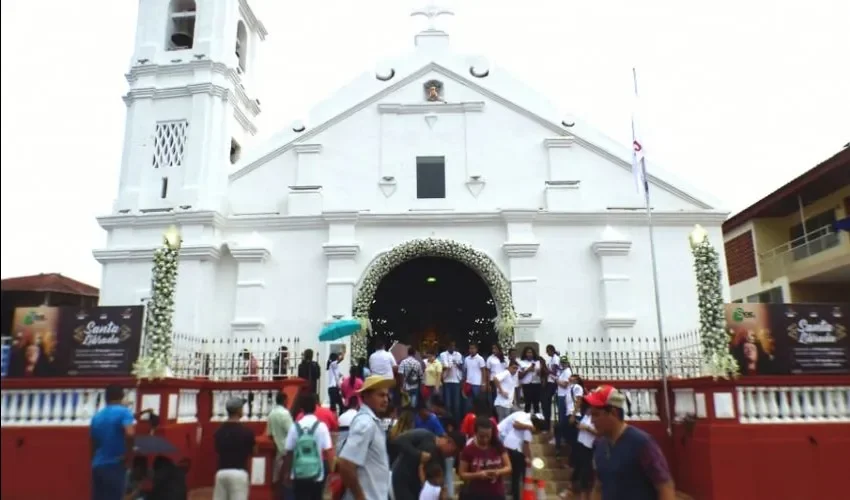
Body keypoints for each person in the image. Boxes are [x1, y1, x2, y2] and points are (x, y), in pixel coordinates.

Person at [585, 385, 675, 500]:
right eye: (591, 415)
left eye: (596, 414)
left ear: (613, 413)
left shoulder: (641, 443)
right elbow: (598, 486)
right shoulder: (599, 445)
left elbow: (665, 486)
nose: (592, 421)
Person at [337, 375, 396, 500]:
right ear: (366, 397)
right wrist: (360, 497)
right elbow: (346, 463)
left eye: (386, 395)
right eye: (380, 395)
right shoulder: (366, 423)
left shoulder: (372, 422)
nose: (386, 400)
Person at [282, 391, 334, 500]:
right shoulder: (321, 426)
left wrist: (287, 472)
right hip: (317, 473)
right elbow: (329, 451)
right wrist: (332, 472)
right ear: (315, 408)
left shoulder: (294, 427)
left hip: (298, 472)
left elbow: (289, 452)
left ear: (301, 409)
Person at [90, 384, 136, 500]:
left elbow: (92, 443)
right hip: (115, 464)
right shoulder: (124, 412)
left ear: (106, 398)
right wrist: (128, 454)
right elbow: (130, 433)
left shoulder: (97, 417)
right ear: (122, 397)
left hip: (98, 465)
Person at [391, 428, 462, 500]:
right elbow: (399, 441)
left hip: (418, 490)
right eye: (454, 452)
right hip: (402, 480)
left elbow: (438, 485)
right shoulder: (424, 435)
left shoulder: (441, 462)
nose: (452, 456)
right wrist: (419, 455)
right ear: (449, 442)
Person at [213, 397, 256, 500]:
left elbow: (217, 450)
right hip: (239, 473)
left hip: (221, 472)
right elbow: (254, 451)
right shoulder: (246, 432)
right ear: (238, 410)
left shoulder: (219, 431)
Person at [458, 417, 512, 500]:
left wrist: (497, 472)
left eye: (488, 436)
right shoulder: (468, 450)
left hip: (496, 493)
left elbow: (508, 467)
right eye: (481, 436)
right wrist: (478, 475)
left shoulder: (498, 446)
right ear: (475, 433)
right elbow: (462, 474)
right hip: (476, 494)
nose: (485, 439)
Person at [497, 411, 543, 500]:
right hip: (513, 447)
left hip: (508, 445)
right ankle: (517, 496)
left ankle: (514, 493)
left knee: (515, 475)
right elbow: (526, 446)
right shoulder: (528, 425)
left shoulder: (525, 421)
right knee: (517, 476)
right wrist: (528, 458)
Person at [266, 391, 293, 499]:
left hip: (278, 448)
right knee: (288, 477)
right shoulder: (285, 414)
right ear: (285, 401)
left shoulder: (271, 414)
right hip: (287, 449)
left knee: (277, 477)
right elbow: (292, 431)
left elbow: (270, 433)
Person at [571, 399, 596, 500]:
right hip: (580, 444)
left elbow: (598, 433)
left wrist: (587, 428)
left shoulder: (596, 419)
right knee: (578, 469)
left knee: (586, 473)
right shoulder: (586, 416)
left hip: (588, 447)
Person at [554, 360, 579, 456]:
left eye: (572, 378)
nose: (570, 378)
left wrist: (573, 415)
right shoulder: (570, 387)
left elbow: (578, 402)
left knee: (563, 426)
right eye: (562, 362)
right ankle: (559, 446)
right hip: (570, 412)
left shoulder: (576, 387)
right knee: (559, 426)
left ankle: (561, 446)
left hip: (573, 414)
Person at [439, 342, 464, 420]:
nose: (452, 347)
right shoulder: (442, 355)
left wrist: (457, 363)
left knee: (456, 404)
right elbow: (439, 367)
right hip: (447, 380)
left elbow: (462, 367)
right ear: (447, 347)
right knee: (448, 404)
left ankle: (456, 422)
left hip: (456, 381)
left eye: (453, 346)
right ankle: (448, 421)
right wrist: (446, 367)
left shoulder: (458, 355)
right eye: (450, 346)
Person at [542, 345, 561, 431]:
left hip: (553, 383)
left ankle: (547, 424)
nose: (547, 353)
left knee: (546, 401)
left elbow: (554, 372)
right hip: (550, 382)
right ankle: (546, 423)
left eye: (547, 351)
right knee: (545, 402)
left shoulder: (556, 358)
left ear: (551, 350)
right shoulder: (552, 358)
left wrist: (545, 369)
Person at [463, 343, 487, 411]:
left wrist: (483, 383)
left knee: (478, 403)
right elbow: (466, 371)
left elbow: (483, 371)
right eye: (470, 348)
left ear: (476, 349)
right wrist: (464, 384)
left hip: (477, 384)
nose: (471, 350)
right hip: (469, 383)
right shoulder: (466, 359)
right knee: (468, 404)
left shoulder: (480, 359)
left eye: (473, 348)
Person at [518, 347, 542, 414]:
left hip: (536, 384)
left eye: (531, 352)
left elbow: (542, 375)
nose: (529, 354)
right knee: (527, 403)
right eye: (528, 352)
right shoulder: (521, 363)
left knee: (536, 404)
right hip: (527, 385)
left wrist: (539, 372)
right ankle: (526, 420)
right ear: (525, 354)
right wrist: (528, 370)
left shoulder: (537, 362)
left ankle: (537, 421)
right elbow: (519, 376)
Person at [327, 349, 346, 414]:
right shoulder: (332, 364)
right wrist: (343, 353)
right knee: (337, 405)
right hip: (333, 388)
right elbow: (341, 359)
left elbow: (338, 374)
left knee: (337, 405)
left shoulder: (334, 367)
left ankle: (336, 417)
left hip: (333, 388)